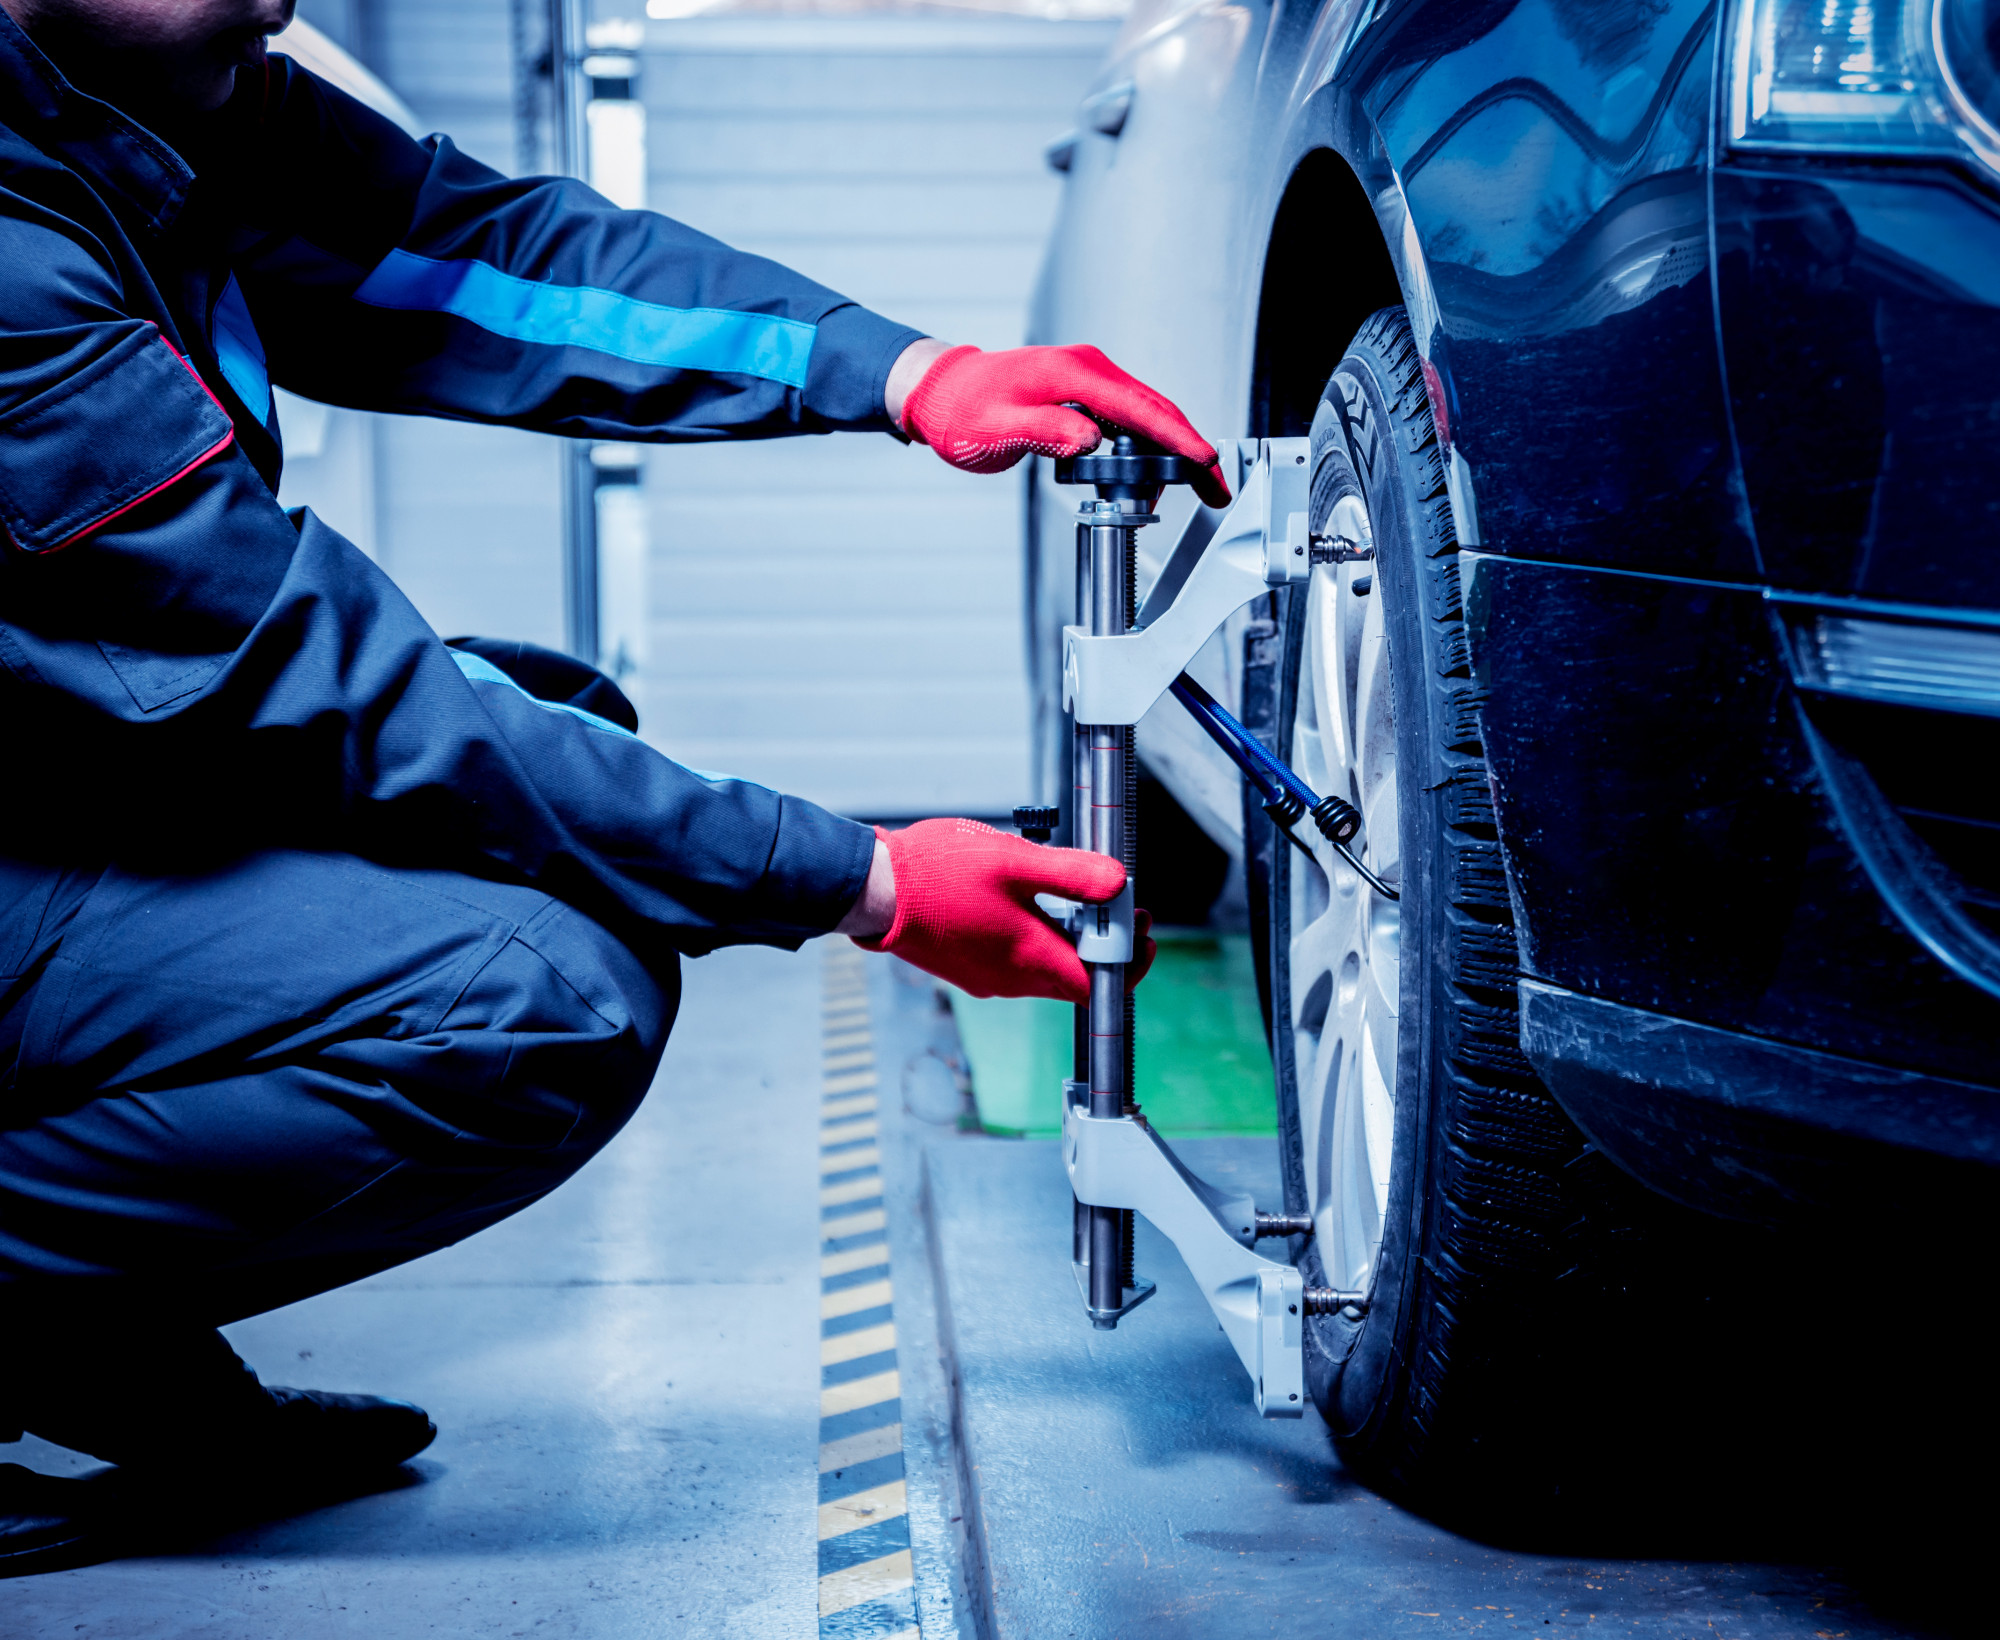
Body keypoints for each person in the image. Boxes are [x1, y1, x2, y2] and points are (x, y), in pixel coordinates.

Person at [0, 0, 1226, 1576]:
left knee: (569, 746)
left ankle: (96, 1341)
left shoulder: (155, 103)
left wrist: (914, 375)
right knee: (542, 1000)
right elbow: (332, 680)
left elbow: (484, 257)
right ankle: (57, 1322)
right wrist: (863, 880)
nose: (282, 2)